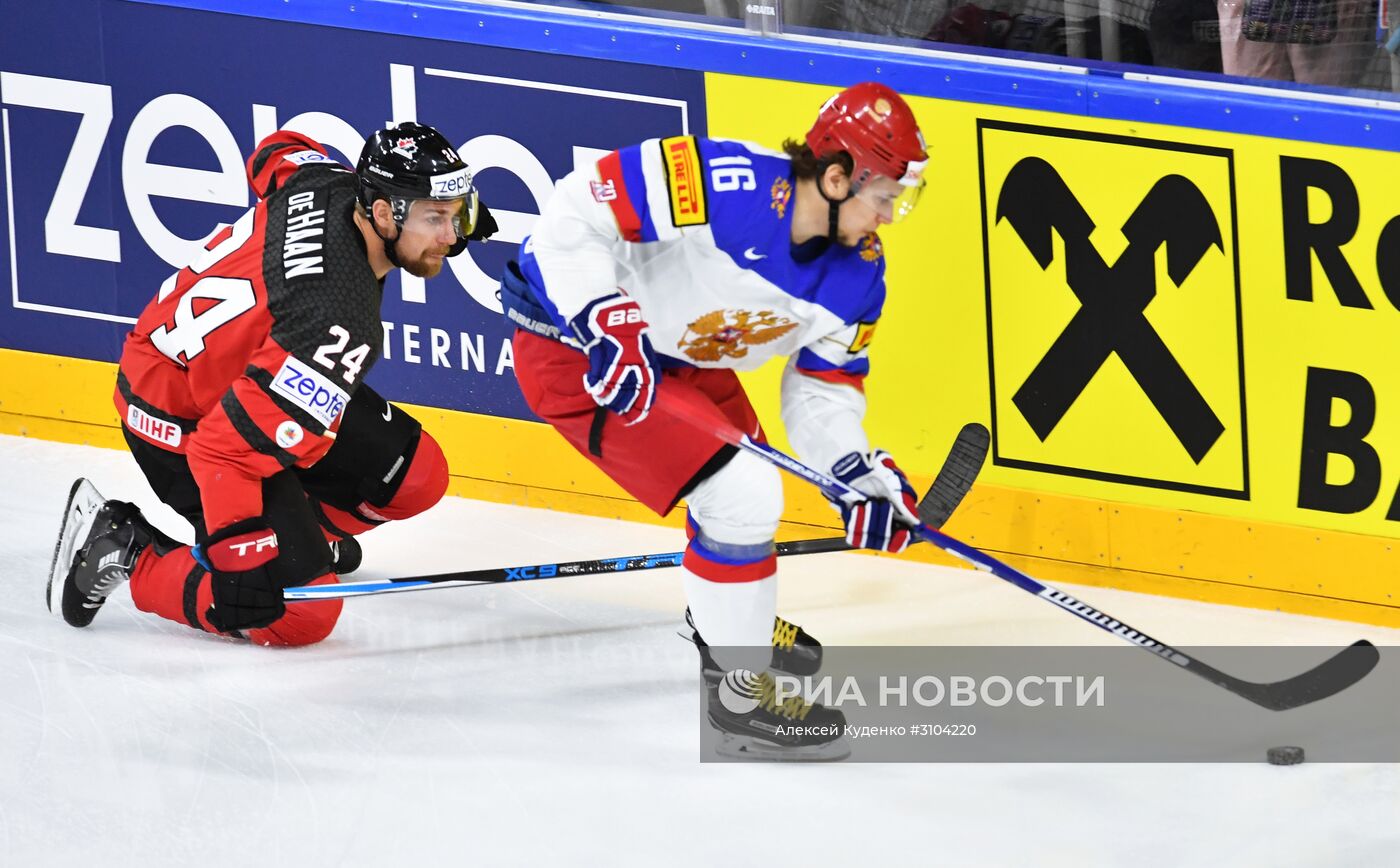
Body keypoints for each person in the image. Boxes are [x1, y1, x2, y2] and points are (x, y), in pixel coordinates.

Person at [499, 82, 928, 759]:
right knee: (743, 494)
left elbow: (823, 389)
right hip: (577, 349)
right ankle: (738, 698)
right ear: (839, 176)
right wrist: (599, 314)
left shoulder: (860, 280)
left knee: (744, 484)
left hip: (677, 353)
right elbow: (573, 212)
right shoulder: (720, 181)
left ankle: (731, 623)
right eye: (884, 198)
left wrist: (852, 470)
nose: (890, 217)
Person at [47, 122, 497, 647]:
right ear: (380, 212)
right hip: (183, 417)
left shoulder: (327, 180)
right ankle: (127, 550)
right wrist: (240, 548)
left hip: (250, 374)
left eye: (456, 214)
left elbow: (277, 149)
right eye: (435, 218)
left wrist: (443, 210)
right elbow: (222, 450)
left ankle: (306, 537)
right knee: (298, 617)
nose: (452, 236)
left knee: (416, 476)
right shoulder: (337, 321)